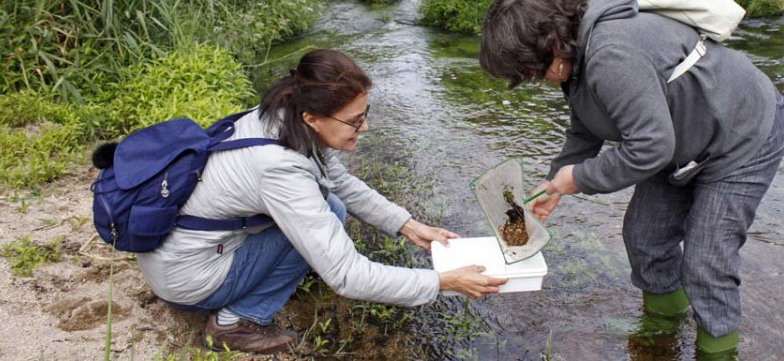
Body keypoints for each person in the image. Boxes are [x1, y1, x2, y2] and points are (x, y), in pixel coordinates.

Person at [478, 0, 784, 356]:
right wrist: (555, 181)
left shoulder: (610, 54)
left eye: (532, 70)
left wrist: (577, 179)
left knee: (706, 263)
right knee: (644, 236)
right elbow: (587, 125)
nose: (536, 79)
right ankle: (662, 328)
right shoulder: (578, 53)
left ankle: (716, 349)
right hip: (677, 142)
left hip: (739, 137)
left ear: (552, 44)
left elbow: (651, 148)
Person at [138, 49, 507, 354]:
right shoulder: (279, 168)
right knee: (323, 226)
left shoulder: (283, 116)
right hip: (189, 280)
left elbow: (339, 182)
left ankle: (281, 273)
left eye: (365, 115)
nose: (365, 129)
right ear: (313, 118)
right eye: (354, 121)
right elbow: (347, 276)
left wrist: (408, 226)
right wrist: (442, 281)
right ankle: (235, 321)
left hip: (187, 251)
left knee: (332, 207)